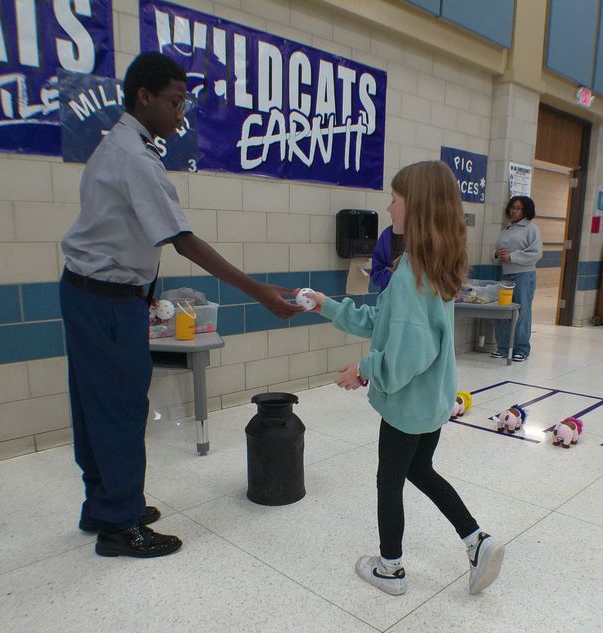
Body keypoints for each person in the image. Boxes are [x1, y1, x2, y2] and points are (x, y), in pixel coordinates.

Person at [61, 52, 300, 559]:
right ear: (144, 97)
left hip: (89, 293)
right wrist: (257, 290)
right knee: (120, 408)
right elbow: (183, 241)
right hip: (106, 301)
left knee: (93, 404)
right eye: (174, 102)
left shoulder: (117, 145)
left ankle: (102, 504)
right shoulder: (135, 158)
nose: (180, 113)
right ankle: (119, 525)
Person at [302, 161, 505, 596]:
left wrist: (364, 370)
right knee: (420, 469)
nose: (389, 206)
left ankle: (390, 569)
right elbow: (385, 324)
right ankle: (476, 540)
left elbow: (407, 355)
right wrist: (327, 305)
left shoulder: (413, 275)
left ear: (418, 207)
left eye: (395, 199)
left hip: (408, 404)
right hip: (430, 402)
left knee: (389, 480)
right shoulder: (430, 266)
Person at [492, 195, 542, 361]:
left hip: (523, 275)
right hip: (506, 275)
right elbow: (496, 253)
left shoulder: (531, 229)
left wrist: (512, 257)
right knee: (503, 311)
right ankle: (503, 347)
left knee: (522, 313)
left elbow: (536, 253)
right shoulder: (506, 229)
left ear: (526, 211)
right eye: (513, 208)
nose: (514, 211)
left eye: (519, 208)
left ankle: (521, 349)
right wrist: (496, 254)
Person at [369, 225, 404, 293]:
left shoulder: (423, 234)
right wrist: (394, 276)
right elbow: (376, 274)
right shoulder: (387, 235)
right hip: (391, 295)